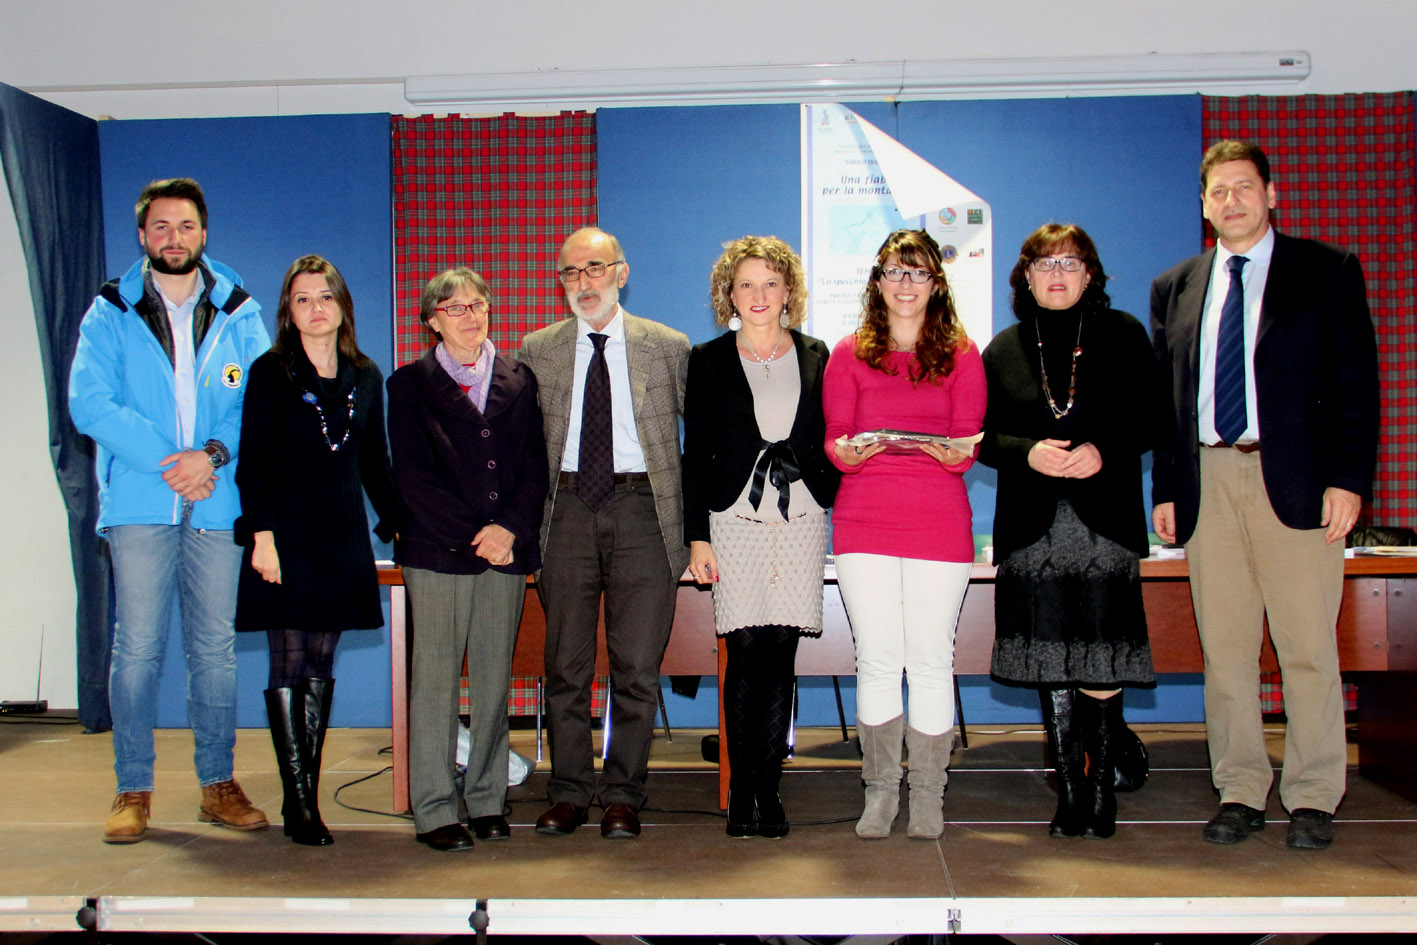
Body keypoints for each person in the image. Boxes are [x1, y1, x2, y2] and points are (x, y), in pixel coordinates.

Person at [1151, 141, 1379, 851]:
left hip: (1300, 483)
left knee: (1307, 648)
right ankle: (1240, 789)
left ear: (1271, 194)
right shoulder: (1175, 286)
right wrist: (1166, 487)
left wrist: (1349, 480)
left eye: (1244, 187)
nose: (1231, 201)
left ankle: (1312, 794)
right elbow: (1168, 402)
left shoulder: (1326, 270)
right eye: (1217, 191)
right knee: (1225, 652)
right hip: (1208, 482)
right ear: (1203, 204)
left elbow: (1356, 386)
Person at [69, 178, 271, 843]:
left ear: (204, 233)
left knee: (214, 651)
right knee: (137, 649)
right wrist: (173, 461)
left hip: (216, 500)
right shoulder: (108, 311)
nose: (173, 238)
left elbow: (257, 401)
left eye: (185, 226)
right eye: (160, 226)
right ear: (142, 236)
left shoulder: (240, 310)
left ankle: (218, 783)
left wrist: (209, 457)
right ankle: (133, 788)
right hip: (140, 501)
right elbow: (90, 403)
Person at [977, 223, 1158, 840]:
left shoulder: (1124, 332)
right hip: (1033, 530)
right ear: (1025, 277)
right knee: (1050, 661)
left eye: (1070, 263)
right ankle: (1070, 793)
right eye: (1044, 264)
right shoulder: (1002, 349)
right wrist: (1027, 452)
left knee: (1102, 660)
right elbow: (982, 437)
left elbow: (1152, 416)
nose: (1057, 274)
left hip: (1104, 524)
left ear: (1090, 274)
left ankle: (1102, 791)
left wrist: (1105, 449)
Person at [516, 227, 690, 839]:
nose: (583, 282)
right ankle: (568, 792)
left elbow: (706, 438)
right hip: (565, 511)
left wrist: (702, 529)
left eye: (594, 268)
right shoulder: (537, 349)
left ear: (621, 272)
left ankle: (622, 795)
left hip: (645, 510)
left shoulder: (667, 346)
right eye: (571, 272)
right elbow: (517, 445)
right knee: (565, 665)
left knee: (636, 667)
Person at [823, 228, 986, 840]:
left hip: (938, 519)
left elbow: (967, 446)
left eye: (918, 272)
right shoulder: (848, 353)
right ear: (877, 281)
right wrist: (846, 451)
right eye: (894, 271)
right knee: (877, 658)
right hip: (864, 517)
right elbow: (834, 441)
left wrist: (954, 453)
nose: (906, 283)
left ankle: (928, 794)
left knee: (931, 659)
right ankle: (880, 791)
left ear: (936, 283)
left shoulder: (963, 353)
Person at [233, 254, 400, 846]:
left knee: (321, 664)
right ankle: (301, 803)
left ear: (342, 305)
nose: (315, 308)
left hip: (341, 536)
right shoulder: (270, 371)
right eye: (302, 299)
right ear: (289, 311)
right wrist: (261, 537)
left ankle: (299, 796)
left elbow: (375, 463)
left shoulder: (366, 375)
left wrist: (401, 527)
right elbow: (252, 462)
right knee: (289, 660)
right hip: (285, 536)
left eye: (325, 296)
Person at [683, 236, 840, 839]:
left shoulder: (817, 353)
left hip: (800, 520)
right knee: (744, 652)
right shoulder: (708, 358)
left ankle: (769, 790)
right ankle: (739, 791)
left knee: (781, 654)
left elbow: (830, 432)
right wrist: (698, 538)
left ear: (788, 292)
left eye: (770, 283)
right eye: (746, 283)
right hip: (733, 521)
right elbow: (695, 454)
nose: (758, 294)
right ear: (729, 293)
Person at [387, 268, 548, 852]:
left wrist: (509, 530)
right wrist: (477, 534)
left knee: (493, 681)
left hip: (505, 552)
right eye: (454, 308)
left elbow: (535, 465)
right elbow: (413, 478)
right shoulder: (408, 385)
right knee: (434, 683)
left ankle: (486, 799)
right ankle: (433, 808)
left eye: (477, 304)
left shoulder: (519, 379)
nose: (470, 316)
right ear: (432, 320)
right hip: (437, 551)